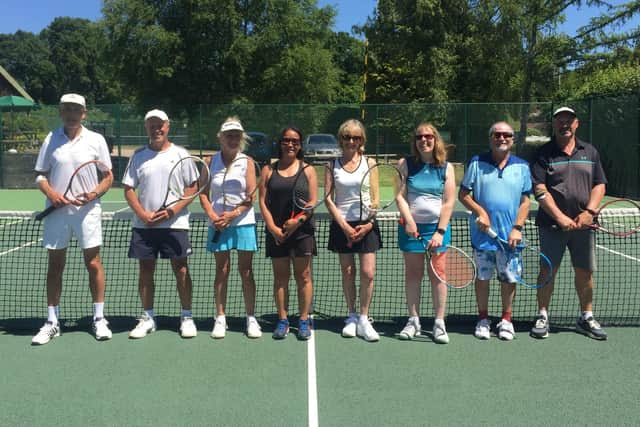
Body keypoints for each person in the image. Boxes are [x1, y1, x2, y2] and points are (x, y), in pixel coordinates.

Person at [32, 93, 114, 345]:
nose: (71, 114)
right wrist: (52, 194)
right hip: (57, 213)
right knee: (55, 266)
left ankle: (99, 319)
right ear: (60, 112)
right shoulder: (50, 139)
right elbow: (40, 176)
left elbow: (108, 176)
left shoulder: (96, 140)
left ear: (84, 113)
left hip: (87, 212)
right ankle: (52, 322)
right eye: (67, 109)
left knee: (93, 263)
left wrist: (93, 194)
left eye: (76, 110)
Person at [530, 107, 607, 340]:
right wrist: (559, 217)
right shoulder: (543, 153)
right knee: (547, 271)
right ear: (553, 125)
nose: (564, 124)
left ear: (577, 124)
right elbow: (540, 189)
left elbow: (599, 184)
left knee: (584, 271)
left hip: (584, 227)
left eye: (569, 120)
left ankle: (586, 316)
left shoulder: (590, 152)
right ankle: (543, 315)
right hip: (552, 226)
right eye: (559, 120)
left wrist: (590, 212)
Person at [122, 109, 199, 339]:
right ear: (146, 128)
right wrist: (143, 214)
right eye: (151, 125)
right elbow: (128, 189)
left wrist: (173, 210)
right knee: (145, 270)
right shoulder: (138, 156)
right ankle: (148, 317)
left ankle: (186, 317)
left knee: (181, 270)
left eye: (160, 125)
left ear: (168, 126)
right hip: (144, 226)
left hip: (175, 225)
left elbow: (193, 186)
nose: (156, 129)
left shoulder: (181, 154)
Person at [458, 121, 532, 341]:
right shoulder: (476, 162)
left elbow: (526, 201)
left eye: (506, 135)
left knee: (509, 279)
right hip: (483, 237)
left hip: (510, 239)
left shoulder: (522, 166)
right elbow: (464, 194)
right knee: (482, 278)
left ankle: (506, 320)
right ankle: (483, 319)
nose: (502, 138)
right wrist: (480, 211)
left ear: (513, 138)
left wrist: (517, 228)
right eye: (497, 135)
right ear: (490, 138)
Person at [199, 117, 261, 339]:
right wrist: (214, 216)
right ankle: (220, 317)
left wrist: (232, 215)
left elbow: (251, 197)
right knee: (221, 270)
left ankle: (251, 318)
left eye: (237, 135)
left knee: (246, 271)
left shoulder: (248, 162)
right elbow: (203, 195)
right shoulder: (209, 161)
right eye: (229, 135)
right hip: (217, 224)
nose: (233, 139)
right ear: (221, 137)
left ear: (241, 138)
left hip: (243, 223)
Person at [396, 122, 456, 344]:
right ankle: (414, 321)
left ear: (435, 139)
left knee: (438, 275)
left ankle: (439, 323)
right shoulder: (405, 164)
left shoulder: (446, 168)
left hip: (437, 230)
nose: (424, 140)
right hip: (410, 230)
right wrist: (409, 222)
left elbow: (449, 201)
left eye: (428, 136)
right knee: (413, 275)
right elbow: (400, 196)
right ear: (415, 141)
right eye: (419, 137)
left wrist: (440, 232)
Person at [324, 119, 380, 342]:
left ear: (361, 140)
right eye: (347, 137)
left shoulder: (371, 162)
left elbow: (375, 199)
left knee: (368, 273)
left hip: (367, 225)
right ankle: (352, 316)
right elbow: (328, 199)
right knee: (348, 273)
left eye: (355, 137)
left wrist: (368, 225)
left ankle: (364, 318)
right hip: (342, 225)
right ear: (341, 139)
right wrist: (345, 226)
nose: (351, 141)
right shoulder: (332, 164)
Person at [258, 126, 316, 340]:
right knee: (280, 278)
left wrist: (298, 221)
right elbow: (262, 202)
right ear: (280, 143)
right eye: (286, 140)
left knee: (304, 277)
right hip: (277, 233)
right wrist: (273, 228)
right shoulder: (268, 170)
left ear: (300, 145)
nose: (290, 144)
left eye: (294, 141)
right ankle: (282, 320)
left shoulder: (307, 170)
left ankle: (302, 320)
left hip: (302, 233)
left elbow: (311, 203)